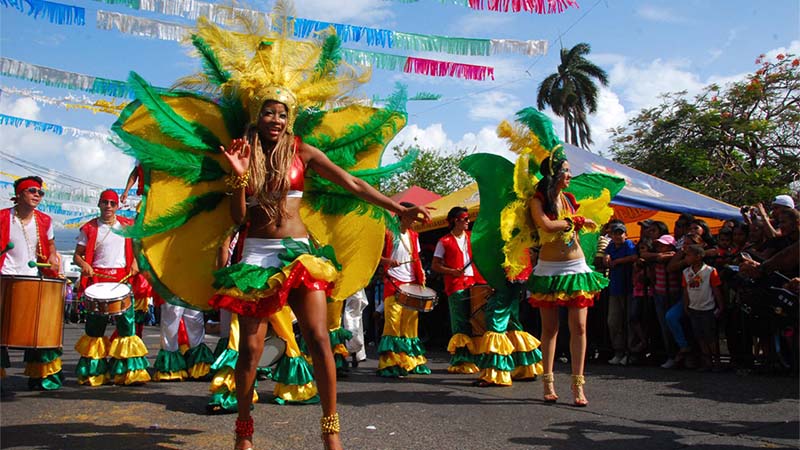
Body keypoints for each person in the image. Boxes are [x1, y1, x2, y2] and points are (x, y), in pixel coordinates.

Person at [527, 154, 608, 407]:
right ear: (553, 175)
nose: (570, 175)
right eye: (565, 171)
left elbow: (567, 227)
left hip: (576, 267)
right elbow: (547, 225)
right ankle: (548, 382)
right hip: (549, 269)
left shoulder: (570, 200)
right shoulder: (538, 200)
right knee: (550, 329)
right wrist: (577, 221)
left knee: (580, 327)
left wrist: (577, 222)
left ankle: (577, 385)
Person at [72, 189, 151, 386]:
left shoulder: (127, 225)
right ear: (99, 204)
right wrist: (84, 266)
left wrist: (135, 263)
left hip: (122, 280)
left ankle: (127, 373)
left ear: (117, 206)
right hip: (97, 279)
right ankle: (95, 372)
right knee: (95, 328)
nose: (108, 206)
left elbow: (138, 248)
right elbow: (77, 255)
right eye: (104, 202)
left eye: (112, 203)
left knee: (127, 326)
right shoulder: (88, 228)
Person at [0, 176, 64, 390]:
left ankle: (41, 376)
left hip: (33, 277)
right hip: (5, 278)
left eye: (40, 192)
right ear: (19, 195)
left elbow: (51, 244)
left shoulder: (44, 220)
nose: (38, 195)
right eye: (32, 191)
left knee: (40, 329)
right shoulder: (2, 217)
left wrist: (53, 256)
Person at [376, 202, 431, 377]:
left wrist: (421, 272)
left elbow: (416, 258)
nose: (415, 221)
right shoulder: (387, 233)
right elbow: (374, 256)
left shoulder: (414, 235)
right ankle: (390, 362)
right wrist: (387, 261)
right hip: (393, 282)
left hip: (411, 284)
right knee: (392, 322)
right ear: (403, 216)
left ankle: (410, 361)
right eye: (412, 217)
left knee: (410, 325)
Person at [431, 207, 485, 374]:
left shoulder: (472, 238)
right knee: (461, 322)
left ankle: (479, 357)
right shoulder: (444, 241)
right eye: (465, 218)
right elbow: (435, 265)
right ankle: (462, 360)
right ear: (455, 220)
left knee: (477, 321)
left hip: (475, 283)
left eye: (468, 218)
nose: (468, 221)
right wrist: (451, 271)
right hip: (456, 285)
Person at [681, 245, 724, 371]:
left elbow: (716, 289)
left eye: (689, 255)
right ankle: (707, 362)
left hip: (708, 308)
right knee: (700, 336)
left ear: (698, 256)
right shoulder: (686, 272)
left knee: (710, 336)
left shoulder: (710, 271)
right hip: (694, 308)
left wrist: (720, 306)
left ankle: (717, 361)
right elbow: (685, 290)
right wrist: (686, 305)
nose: (686, 258)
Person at [603, 222, 638, 366]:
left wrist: (616, 261)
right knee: (614, 321)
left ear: (626, 234)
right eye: (615, 233)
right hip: (614, 289)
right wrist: (606, 257)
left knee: (628, 321)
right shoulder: (611, 245)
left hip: (628, 288)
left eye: (620, 233)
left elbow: (633, 257)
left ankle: (630, 352)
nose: (617, 236)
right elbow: (606, 256)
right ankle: (618, 351)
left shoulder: (628, 245)